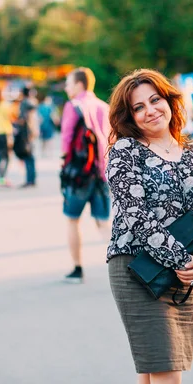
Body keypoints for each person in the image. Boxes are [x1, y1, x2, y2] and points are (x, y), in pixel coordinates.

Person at [106, 69, 193, 384]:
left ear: (169, 100)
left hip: (183, 273)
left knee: (153, 374)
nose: (150, 110)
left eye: (155, 100)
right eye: (138, 107)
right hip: (138, 269)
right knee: (166, 376)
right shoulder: (125, 151)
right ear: (130, 117)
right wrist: (185, 260)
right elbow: (134, 216)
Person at [60, 67, 111, 282]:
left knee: (72, 220)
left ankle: (77, 268)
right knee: (103, 223)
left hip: (80, 174)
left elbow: (66, 139)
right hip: (103, 172)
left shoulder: (73, 106)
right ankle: (127, 267)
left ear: (79, 84)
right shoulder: (104, 107)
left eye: (69, 83)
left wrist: (65, 164)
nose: (66, 87)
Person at [16, 87, 38, 188]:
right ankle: (32, 179)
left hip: (25, 134)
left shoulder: (24, 103)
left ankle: (30, 180)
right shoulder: (31, 103)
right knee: (30, 157)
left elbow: (22, 119)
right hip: (31, 133)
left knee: (28, 157)